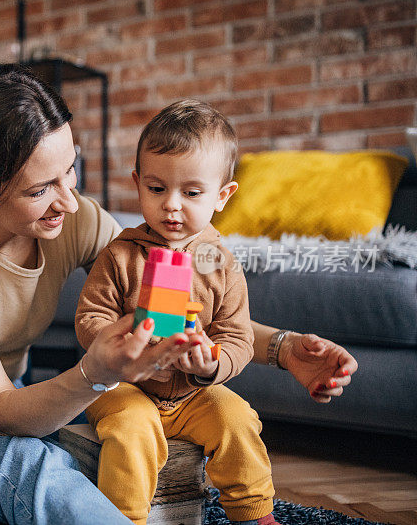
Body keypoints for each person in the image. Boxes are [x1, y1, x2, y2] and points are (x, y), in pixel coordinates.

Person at [0, 63, 358, 525]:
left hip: (21, 396)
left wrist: (284, 348)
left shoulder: (74, 219)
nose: (69, 201)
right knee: (31, 467)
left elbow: (174, 309)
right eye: (39, 190)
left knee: (100, 450)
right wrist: (96, 373)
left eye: (69, 171)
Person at [76, 100, 277, 525]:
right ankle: (124, 517)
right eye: (156, 188)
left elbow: (238, 338)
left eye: (191, 192)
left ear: (222, 196)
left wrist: (211, 364)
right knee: (132, 428)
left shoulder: (222, 264)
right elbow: (89, 317)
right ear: (137, 184)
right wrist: (125, 347)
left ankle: (255, 514)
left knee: (238, 418)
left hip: (194, 393)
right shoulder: (120, 255)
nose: (171, 205)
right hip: (123, 388)